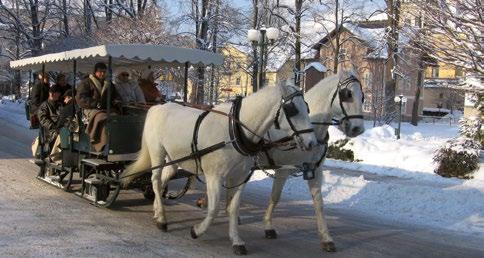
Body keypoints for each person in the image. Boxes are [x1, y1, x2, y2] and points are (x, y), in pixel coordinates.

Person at [76, 62, 121, 152]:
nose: (102, 74)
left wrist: (117, 101)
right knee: (103, 118)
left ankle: (117, 143)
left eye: (104, 72)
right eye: (100, 71)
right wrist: (94, 103)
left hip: (105, 108)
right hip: (90, 109)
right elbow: (81, 98)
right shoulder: (86, 82)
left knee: (117, 118)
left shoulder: (109, 84)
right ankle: (102, 144)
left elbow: (116, 95)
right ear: (95, 72)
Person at [37, 84, 62, 160]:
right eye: (58, 93)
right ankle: (51, 156)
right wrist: (53, 126)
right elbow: (43, 119)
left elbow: (63, 115)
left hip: (59, 127)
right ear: (52, 94)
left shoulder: (59, 104)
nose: (59, 95)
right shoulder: (44, 105)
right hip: (48, 130)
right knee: (57, 134)